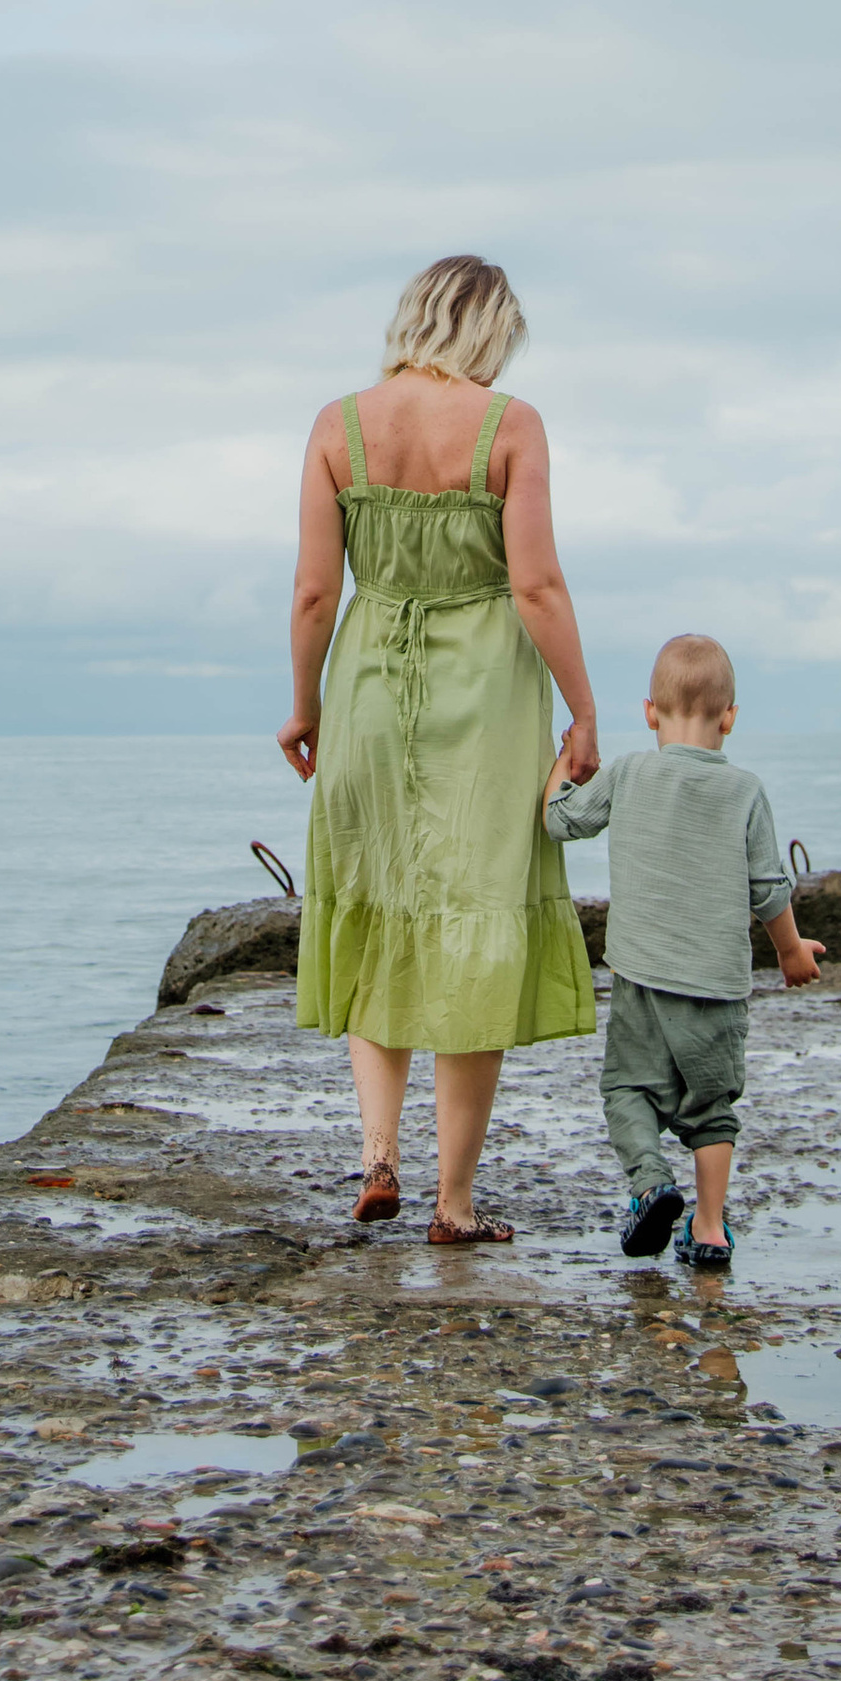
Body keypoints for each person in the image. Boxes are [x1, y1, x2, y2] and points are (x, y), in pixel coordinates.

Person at [279, 254, 600, 1246]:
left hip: (368, 686)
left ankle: (378, 1156)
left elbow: (313, 594)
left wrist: (305, 705)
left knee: (379, 907)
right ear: (489, 330)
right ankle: (454, 1205)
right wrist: (583, 713)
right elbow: (537, 587)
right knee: (475, 922)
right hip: (487, 701)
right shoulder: (511, 427)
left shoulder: (339, 426)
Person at [543, 630, 820, 1268]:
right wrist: (791, 952)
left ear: (649, 713)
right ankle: (712, 1228)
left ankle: (651, 1185)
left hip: (641, 977)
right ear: (730, 718)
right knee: (712, 1109)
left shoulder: (632, 770)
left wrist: (562, 763)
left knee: (628, 1091)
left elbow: (563, 820)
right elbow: (767, 887)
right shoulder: (746, 791)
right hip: (718, 987)